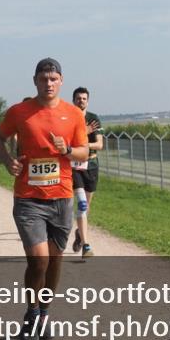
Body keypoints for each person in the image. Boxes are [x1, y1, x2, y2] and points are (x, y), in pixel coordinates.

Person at [0, 58, 88, 340]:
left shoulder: (73, 115)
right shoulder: (19, 111)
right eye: (43, 79)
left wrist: (68, 150)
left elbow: (84, 152)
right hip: (28, 199)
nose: (48, 83)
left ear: (61, 81)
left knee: (55, 260)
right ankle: (32, 313)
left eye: (54, 79)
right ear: (34, 81)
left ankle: (44, 312)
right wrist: (8, 161)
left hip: (61, 198)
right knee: (39, 259)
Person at [70, 87, 104, 258]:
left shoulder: (93, 118)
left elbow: (99, 144)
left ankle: (79, 233)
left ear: (87, 101)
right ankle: (86, 246)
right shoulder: (68, 117)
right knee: (82, 204)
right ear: (73, 100)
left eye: (84, 98)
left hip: (91, 165)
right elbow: (67, 142)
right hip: (75, 166)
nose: (81, 101)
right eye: (78, 98)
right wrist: (85, 133)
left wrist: (83, 143)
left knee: (86, 207)